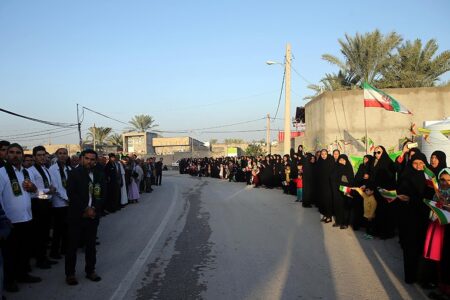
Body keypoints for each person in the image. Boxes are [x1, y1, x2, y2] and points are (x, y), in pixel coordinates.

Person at [0, 143, 41, 292]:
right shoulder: (1, 173)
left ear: (22, 155)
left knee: (24, 250)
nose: (15, 155)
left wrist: (33, 188)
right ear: (6, 154)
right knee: (10, 253)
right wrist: (4, 220)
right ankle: (10, 281)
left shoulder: (26, 172)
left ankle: (23, 274)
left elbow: (33, 193)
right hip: (10, 221)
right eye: (11, 152)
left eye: (18, 152)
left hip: (26, 218)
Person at [65, 149, 105, 285]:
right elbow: (71, 194)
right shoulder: (74, 173)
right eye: (87, 158)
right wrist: (85, 208)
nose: (90, 161)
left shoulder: (99, 174)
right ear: (82, 159)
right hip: (77, 215)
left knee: (91, 245)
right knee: (72, 246)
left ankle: (90, 271)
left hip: (93, 216)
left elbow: (101, 194)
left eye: (93, 159)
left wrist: (94, 208)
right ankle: (70, 274)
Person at [397, 153, 434, 284]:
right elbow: (400, 194)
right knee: (410, 248)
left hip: (424, 219)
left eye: (421, 163)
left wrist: (412, 199)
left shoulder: (430, 179)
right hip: (408, 219)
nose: (418, 166)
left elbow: (432, 199)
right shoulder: (405, 177)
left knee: (423, 248)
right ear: (411, 164)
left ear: (425, 164)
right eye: (415, 163)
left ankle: (422, 277)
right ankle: (410, 276)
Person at [28, 145, 57, 269]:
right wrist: (47, 190)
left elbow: (49, 184)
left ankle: (44, 257)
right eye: (39, 155)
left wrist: (52, 188)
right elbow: (31, 190)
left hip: (47, 203)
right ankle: (40, 259)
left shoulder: (45, 169)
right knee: (39, 233)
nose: (42, 157)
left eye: (44, 155)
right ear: (34, 157)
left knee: (45, 233)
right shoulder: (31, 171)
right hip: (38, 204)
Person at [48, 148, 71, 259]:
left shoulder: (68, 168)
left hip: (68, 203)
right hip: (59, 203)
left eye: (64, 153)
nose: (62, 156)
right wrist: (67, 198)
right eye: (60, 154)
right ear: (57, 155)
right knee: (58, 230)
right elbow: (56, 187)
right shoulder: (52, 169)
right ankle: (54, 252)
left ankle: (64, 249)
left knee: (66, 228)